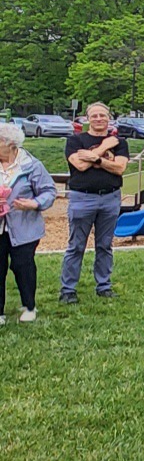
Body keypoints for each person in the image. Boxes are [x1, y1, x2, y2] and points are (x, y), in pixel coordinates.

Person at [60, 102, 129, 303]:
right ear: (87, 119)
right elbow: (80, 165)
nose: (99, 119)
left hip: (110, 197)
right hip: (82, 197)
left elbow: (119, 169)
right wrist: (104, 148)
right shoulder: (75, 141)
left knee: (105, 245)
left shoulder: (120, 143)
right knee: (76, 246)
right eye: (94, 115)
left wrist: (95, 158)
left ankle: (104, 286)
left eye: (103, 115)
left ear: (109, 118)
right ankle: (68, 290)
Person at [0, 123, 57, 325]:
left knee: (22, 266)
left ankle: (29, 306)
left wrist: (33, 203)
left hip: (25, 227)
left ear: (10, 144)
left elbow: (49, 192)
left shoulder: (32, 165)